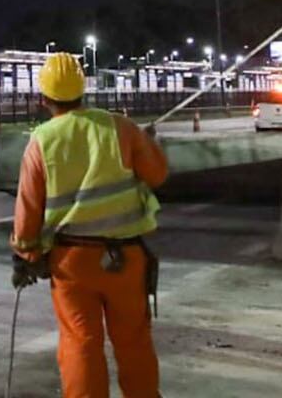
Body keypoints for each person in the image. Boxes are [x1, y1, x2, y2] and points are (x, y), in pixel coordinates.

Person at [11, 51, 168, 398]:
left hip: (72, 265)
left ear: (43, 98)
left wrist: (25, 252)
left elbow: (29, 207)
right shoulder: (120, 127)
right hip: (126, 260)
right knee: (134, 343)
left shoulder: (42, 140)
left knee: (81, 343)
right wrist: (148, 143)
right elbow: (157, 174)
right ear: (84, 90)